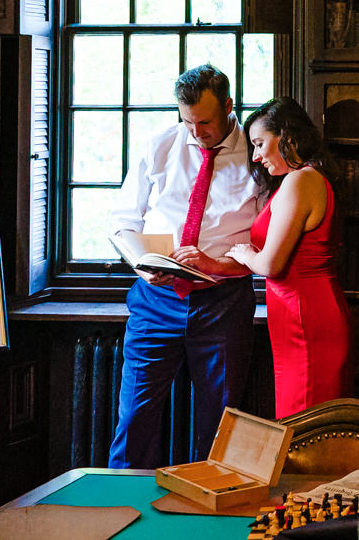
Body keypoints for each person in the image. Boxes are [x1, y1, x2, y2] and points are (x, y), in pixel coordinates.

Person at [107, 64, 261, 467]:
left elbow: (265, 243)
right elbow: (123, 221)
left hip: (222, 302)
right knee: (134, 416)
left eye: (205, 122)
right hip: (154, 299)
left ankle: (209, 516)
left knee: (220, 419)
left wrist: (216, 264)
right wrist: (143, 267)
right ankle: (121, 510)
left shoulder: (257, 156)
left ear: (229, 106)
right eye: (187, 121)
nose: (196, 132)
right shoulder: (161, 144)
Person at [226, 98, 355, 417]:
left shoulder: (301, 181)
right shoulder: (303, 178)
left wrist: (244, 253)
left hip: (305, 316)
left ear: (286, 137)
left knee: (305, 417)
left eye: (259, 144)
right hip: (299, 313)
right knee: (302, 415)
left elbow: (271, 265)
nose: (256, 157)